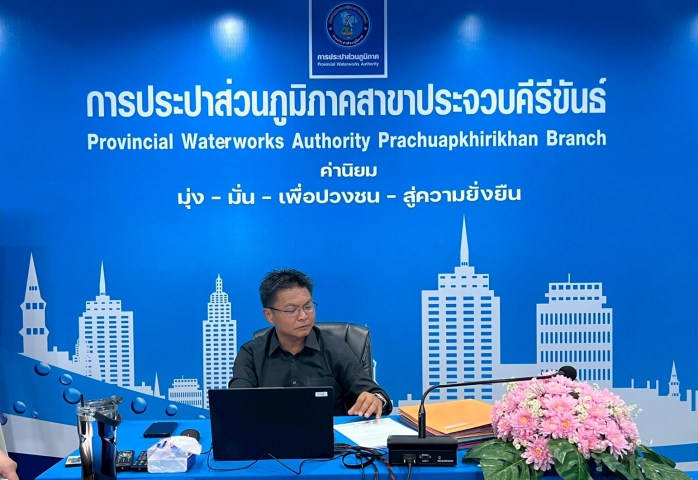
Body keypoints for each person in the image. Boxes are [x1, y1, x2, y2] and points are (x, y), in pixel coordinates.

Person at [230, 268, 392, 418]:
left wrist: (376, 400)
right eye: (291, 310)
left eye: (308, 307)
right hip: (271, 436)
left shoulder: (335, 349)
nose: (303, 316)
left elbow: (377, 394)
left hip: (330, 437)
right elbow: (236, 403)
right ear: (269, 315)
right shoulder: (251, 355)